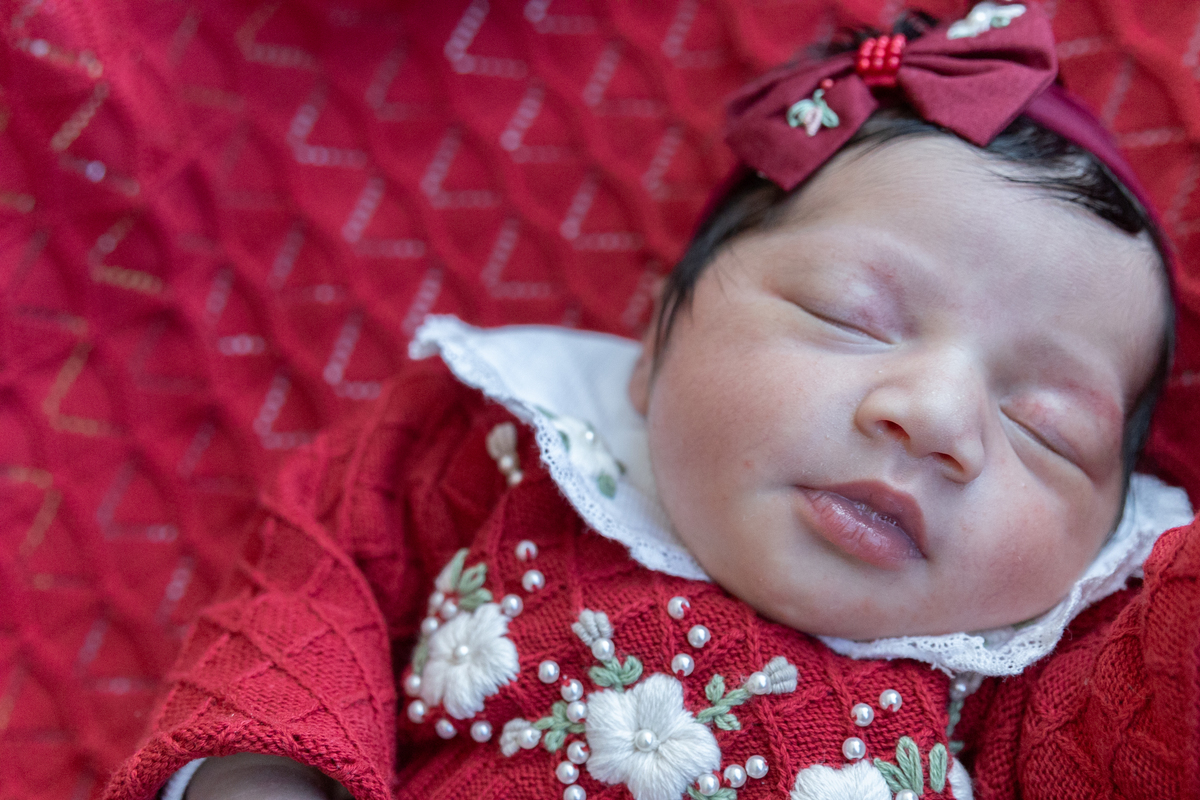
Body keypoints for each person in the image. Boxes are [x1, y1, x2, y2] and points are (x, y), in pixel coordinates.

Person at [104, 5, 1198, 800]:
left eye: (1047, 428)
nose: (937, 418)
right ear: (653, 343)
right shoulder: (516, 451)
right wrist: (260, 767)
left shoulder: (1039, 673)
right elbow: (315, 572)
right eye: (854, 314)